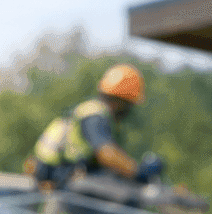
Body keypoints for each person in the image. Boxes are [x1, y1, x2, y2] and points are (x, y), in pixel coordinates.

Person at [28, 63, 162, 189]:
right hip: (58, 173)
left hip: (55, 170)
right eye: (130, 104)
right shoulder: (95, 115)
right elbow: (106, 154)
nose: (130, 109)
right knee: (122, 191)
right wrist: (138, 172)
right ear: (121, 101)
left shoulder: (93, 110)